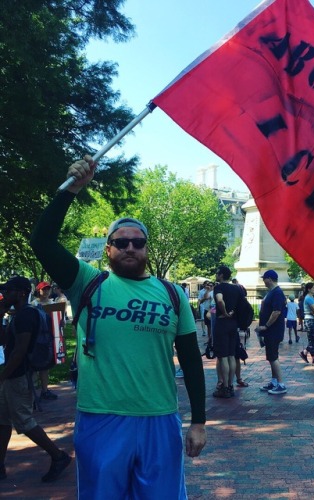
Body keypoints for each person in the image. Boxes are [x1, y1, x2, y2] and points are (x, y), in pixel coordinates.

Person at [30, 156, 206, 498]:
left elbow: (191, 359)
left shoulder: (172, 294)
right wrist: (71, 190)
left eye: (137, 242)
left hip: (160, 418)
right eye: (121, 241)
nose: (129, 247)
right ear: (108, 247)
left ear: (146, 249)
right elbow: (43, 242)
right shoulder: (87, 282)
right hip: (101, 419)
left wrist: (198, 421)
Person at [0, 276, 72, 483]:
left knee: (24, 421)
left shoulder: (25, 316)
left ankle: (58, 456)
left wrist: (3, 377)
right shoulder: (20, 314)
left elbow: (19, 351)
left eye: (10, 290)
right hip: (13, 374)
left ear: (22, 292)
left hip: (19, 375)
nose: (6, 294)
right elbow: (5, 342)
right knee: (3, 420)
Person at [255, 270, 287, 395]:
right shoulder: (272, 292)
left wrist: (266, 326)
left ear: (270, 279)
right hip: (270, 331)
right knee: (271, 356)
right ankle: (274, 382)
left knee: (273, 357)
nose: (263, 281)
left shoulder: (277, 293)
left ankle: (281, 384)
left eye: (264, 278)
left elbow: (276, 312)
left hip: (273, 330)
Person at [212, 266, 240, 398]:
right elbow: (242, 305)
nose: (216, 275)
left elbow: (219, 300)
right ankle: (231, 385)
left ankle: (225, 387)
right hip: (233, 324)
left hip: (222, 322)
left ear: (221, 275)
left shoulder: (219, 287)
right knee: (231, 355)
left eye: (217, 273)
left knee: (222, 356)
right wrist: (233, 313)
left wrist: (224, 313)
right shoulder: (236, 288)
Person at [31, 281, 58, 401]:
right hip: (37, 339)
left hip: (49, 338)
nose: (46, 291)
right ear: (39, 291)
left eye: (48, 289)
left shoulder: (53, 303)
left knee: (45, 366)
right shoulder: (33, 304)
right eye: (44, 289)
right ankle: (31, 393)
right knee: (34, 366)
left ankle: (44, 390)